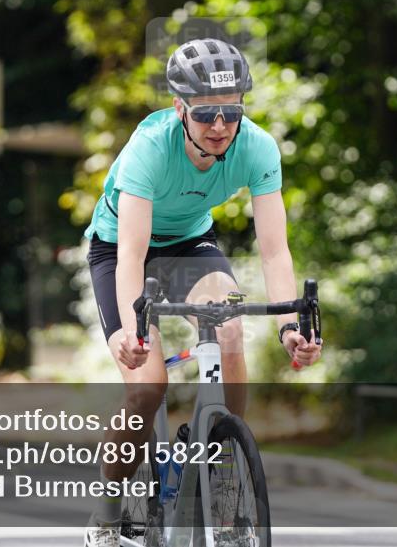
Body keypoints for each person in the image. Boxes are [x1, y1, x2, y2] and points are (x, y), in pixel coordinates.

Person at [82, 38, 322, 546]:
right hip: (122, 248)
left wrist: (289, 328)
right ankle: (107, 512)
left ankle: (226, 469)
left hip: (191, 244)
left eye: (231, 112)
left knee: (230, 330)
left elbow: (274, 252)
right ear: (179, 108)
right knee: (147, 388)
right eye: (205, 112)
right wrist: (131, 331)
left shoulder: (257, 147)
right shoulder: (150, 146)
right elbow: (132, 255)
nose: (219, 125)